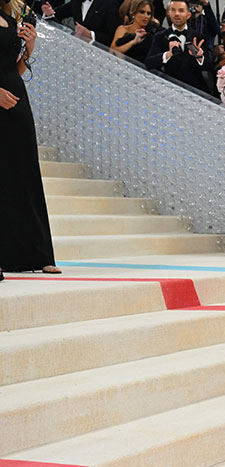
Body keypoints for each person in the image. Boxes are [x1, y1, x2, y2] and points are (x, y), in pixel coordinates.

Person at [0, 0, 59, 277]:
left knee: (26, 173)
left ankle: (38, 253)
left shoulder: (9, 17)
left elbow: (16, 69)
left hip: (16, 97)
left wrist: (29, 49)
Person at [145, 0, 210, 94]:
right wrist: (168, 54)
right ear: (169, 13)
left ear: (188, 15)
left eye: (181, 10)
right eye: (173, 10)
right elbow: (149, 63)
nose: (177, 14)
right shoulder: (160, 36)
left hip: (195, 89)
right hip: (168, 88)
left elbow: (209, 66)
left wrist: (199, 57)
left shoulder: (198, 37)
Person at [41, 0, 120, 46]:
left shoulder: (109, 4)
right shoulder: (76, 2)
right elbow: (56, 14)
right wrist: (48, 12)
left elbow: (114, 38)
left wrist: (91, 35)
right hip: (76, 47)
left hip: (99, 52)